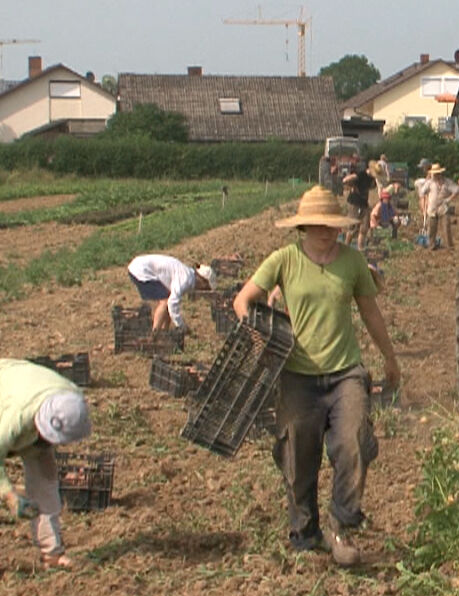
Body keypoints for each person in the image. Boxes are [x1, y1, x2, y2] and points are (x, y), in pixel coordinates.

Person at [232, 186, 401, 567]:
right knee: (297, 456)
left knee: (353, 441)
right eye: (318, 226)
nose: (327, 232)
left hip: (346, 371)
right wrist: (254, 330)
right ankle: (306, 534)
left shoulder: (353, 262)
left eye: (332, 225)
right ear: (303, 227)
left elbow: (370, 312)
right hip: (297, 375)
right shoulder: (284, 260)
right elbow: (243, 299)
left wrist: (390, 357)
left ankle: (341, 525)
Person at [0, 358, 92, 580]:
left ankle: (52, 552)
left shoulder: (72, 401)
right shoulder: (17, 416)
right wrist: (9, 495)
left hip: (14, 387)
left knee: (45, 474)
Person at [127, 254, 215, 332]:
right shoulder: (185, 279)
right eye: (206, 288)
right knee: (165, 302)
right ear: (202, 280)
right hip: (141, 270)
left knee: (167, 299)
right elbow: (172, 304)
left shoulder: (187, 274)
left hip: (140, 265)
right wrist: (181, 326)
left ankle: (164, 332)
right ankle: (155, 335)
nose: (204, 291)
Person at [418, 163, 459, 250]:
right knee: (432, 229)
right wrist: (423, 205)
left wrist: (449, 199)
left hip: (443, 208)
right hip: (432, 209)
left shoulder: (447, 182)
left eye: (437, 173)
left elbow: (457, 190)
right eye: (434, 173)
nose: (436, 175)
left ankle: (450, 246)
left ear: (440, 173)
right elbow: (422, 193)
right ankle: (431, 246)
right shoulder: (429, 183)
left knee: (446, 227)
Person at [341, 154, 377, 250]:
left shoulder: (372, 178)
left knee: (364, 228)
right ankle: (345, 248)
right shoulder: (361, 174)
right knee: (352, 227)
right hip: (355, 203)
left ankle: (360, 249)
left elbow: (372, 187)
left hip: (364, 203)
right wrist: (348, 183)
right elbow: (347, 179)